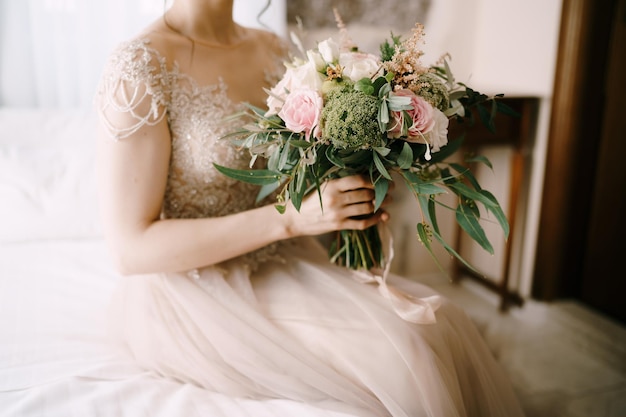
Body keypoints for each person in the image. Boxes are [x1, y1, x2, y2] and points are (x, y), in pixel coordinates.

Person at [95, 0, 526, 416]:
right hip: (192, 287)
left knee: (439, 324)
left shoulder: (272, 48)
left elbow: (301, 167)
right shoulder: (140, 66)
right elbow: (130, 247)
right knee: (405, 354)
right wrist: (288, 220)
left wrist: (356, 180)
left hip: (284, 259)